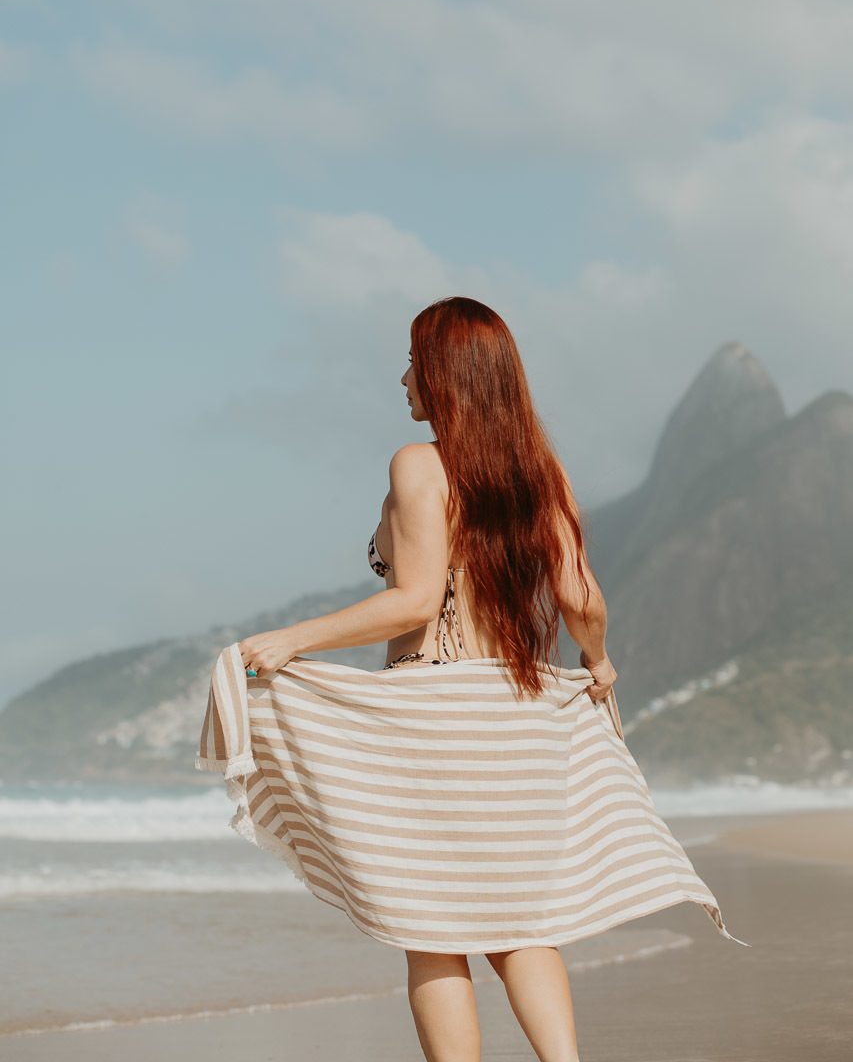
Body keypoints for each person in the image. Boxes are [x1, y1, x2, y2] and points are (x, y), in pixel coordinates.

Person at [225, 295, 743, 1062]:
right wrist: (598, 662)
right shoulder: (540, 469)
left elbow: (412, 597)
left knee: (431, 927)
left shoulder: (416, 465)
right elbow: (580, 598)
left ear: (443, 373)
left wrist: (295, 639)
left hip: (434, 714)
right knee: (520, 921)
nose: (402, 378)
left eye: (411, 361)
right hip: (519, 709)